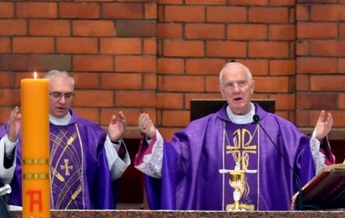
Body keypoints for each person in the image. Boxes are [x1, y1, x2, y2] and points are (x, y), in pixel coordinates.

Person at [135, 61, 334, 210]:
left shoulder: (279, 130)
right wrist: (153, 137)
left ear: (252, 87)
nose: (236, 90)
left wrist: (316, 139)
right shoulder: (200, 131)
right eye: (229, 85)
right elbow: (173, 160)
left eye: (242, 83)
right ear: (222, 92)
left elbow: (306, 165)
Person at [0, 70, 130, 209]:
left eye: (68, 95)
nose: (63, 101)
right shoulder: (21, 128)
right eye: (56, 95)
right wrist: (11, 140)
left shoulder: (90, 133)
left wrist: (113, 142)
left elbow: (106, 177)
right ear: (44, 94)